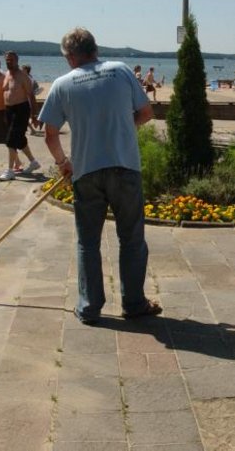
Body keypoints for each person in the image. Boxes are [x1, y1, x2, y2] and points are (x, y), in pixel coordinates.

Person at [38, 27, 161, 324]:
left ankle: (89, 306)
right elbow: (146, 113)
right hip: (125, 167)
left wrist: (63, 163)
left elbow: (49, 133)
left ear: (69, 57)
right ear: (95, 49)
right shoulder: (120, 71)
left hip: (86, 171)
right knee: (131, 239)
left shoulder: (62, 84)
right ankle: (133, 303)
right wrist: (121, 128)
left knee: (88, 242)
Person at [0, 51, 40, 181]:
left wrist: (34, 115)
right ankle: (33, 162)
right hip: (9, 110)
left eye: (11, 60)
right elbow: (5, 92)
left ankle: (10, 170)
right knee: (19, 139)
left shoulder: (23, 76)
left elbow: (31, 96)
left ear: (17, 60)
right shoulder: (6, 75)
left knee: (11, 139)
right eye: (7, 60)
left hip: (21, 109)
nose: (8, 62)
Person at [22, 64, 42, 135]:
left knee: (24, 116)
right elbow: (36, 89)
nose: (21, 70)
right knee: (27, 115)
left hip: (26, 99)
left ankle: (33, 129)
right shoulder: (30, 78)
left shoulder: (27, 78)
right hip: (29, 99)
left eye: (22, 69)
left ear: (26, 70)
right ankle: (39, 120)